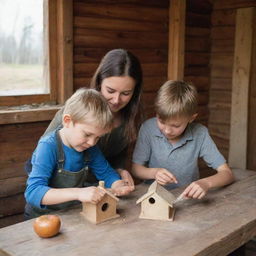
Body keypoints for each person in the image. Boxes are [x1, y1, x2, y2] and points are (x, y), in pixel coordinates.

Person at [24, 88, 134, 219]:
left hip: (71, 214)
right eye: (87, 134)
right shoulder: (48, 146)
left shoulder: (89, 147)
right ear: (67, 121)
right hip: (41, 218)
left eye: (98, 137)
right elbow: (33, 192)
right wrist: (78, 193)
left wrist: (117, 185)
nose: (92, 142)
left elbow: (106, 173)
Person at [42, 48, 143, 187]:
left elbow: (117, 158)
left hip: (101, 187)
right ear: (99, 82)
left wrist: (119, 170)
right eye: (110, 91)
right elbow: (42, 156)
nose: (116, 100)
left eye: (126, 93)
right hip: (61, 193)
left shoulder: (131, 118)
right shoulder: (76, 111)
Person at [132, 80, 234, 199]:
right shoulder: (148, 128)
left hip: (185, 198)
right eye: (161, 121)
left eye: (175, 126)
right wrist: (154, 173)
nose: (167, 130)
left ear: (191, 118)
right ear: (156, 113)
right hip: (153, 197)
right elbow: (135, 169)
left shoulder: (200, 134)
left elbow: (227, 174)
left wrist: (205, 183)